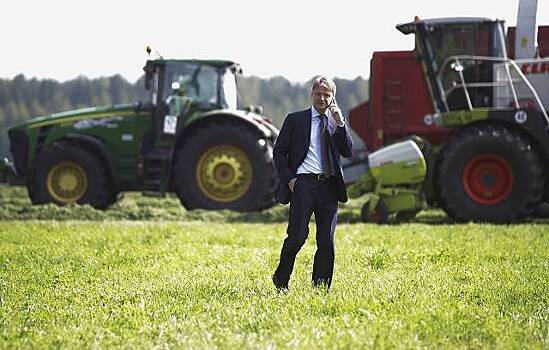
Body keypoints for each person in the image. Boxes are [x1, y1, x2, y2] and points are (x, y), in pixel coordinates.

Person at [272, 76, 353, 291]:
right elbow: (279, 152)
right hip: (303, 185)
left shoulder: (336, 123)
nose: (322, 98)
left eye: (327, 95)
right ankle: (281, 279)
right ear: (312, 95)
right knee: (297, 237)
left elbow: (348, 151)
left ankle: (320, 288)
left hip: (329, 187)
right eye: (319, 94)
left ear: (333, 98)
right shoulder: (295, 119)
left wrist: (341, 123)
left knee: (326, 241)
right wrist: (290, 179)